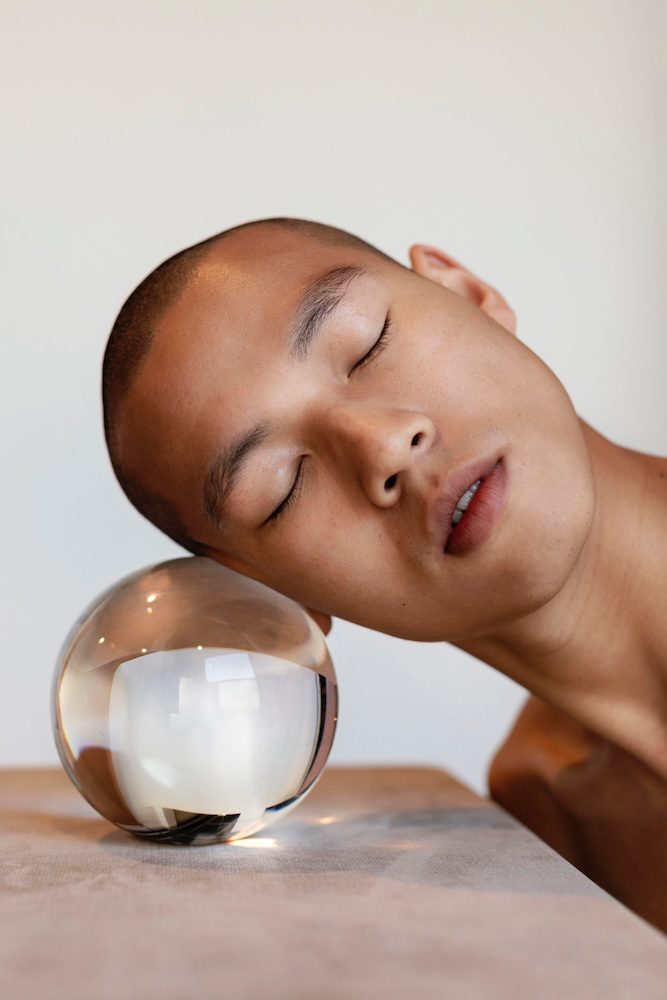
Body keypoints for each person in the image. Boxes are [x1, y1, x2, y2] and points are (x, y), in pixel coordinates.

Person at [102, 217, 667, 933]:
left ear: (467, 291)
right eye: (282, 488)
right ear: (277, 594)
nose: (383, 446)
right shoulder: (549, 825)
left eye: (367, 344)